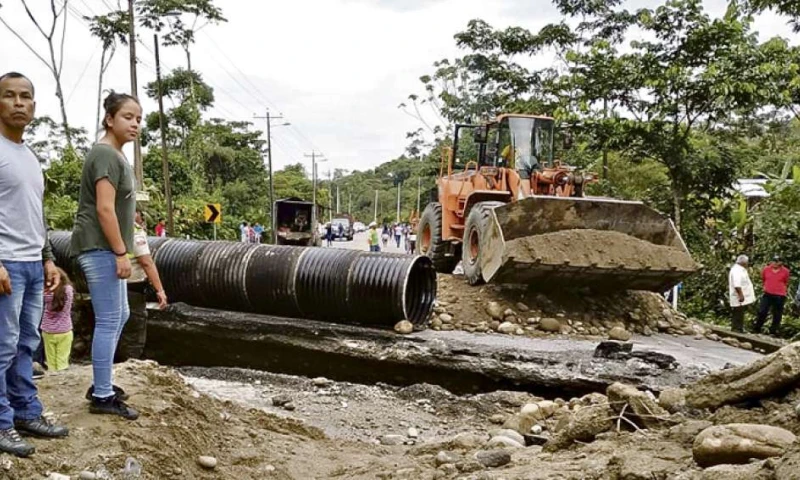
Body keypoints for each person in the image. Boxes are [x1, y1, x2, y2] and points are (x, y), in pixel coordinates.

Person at [0, 71, 69, 456]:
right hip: (6, 263)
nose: (19, 102)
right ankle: (1, 423)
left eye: (26, 96)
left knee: (27, 343)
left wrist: (48, 258)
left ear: (34, 106)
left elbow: (34, 214)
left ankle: (26, 411)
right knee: (2, 346)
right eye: (10, 96)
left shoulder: (28, 156)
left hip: (31, 262)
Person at [71, 91, 141, 421]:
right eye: (128, 117)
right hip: (100, 248)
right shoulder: (105, 155)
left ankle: (103, 381)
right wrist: (120, 252)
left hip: (104, 247)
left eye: (139, 119)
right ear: (109, 119)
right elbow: (103, 208)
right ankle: (101, 395)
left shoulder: (115, 155)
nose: (135, 124)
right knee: (111, 318)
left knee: (121, 314)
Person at [116, 209, 167, 363]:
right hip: (132, 287)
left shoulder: (107, 225)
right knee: (134, 329)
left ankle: (112, 365)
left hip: (110, 286)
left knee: (114, 326)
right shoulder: (133, 231)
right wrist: (160, 290)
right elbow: (146, 262)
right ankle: (130, 366)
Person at [41, 268, 73, 372]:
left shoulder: (46, 293)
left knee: (51, 361)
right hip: (65, 330)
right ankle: (62, 379)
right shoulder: (68, 290)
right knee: (62, 360)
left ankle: (52, 377)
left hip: (47, 331)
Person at [753, 255, 790, 335]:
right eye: (773, 261)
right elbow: (763, 279)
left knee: (777, 313)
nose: (775, 263)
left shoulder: (785, 271)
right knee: (762, 311)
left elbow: (786, 282)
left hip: (779, 295)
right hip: (767, 293)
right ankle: (757, 328)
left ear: (781, 262)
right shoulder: (766, 269)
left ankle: (773, 330)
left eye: (777, 261)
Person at [728, 254, 756, 333]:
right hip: (738, 295)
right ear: (743, 262)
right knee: (738, 312)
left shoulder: (741, 269)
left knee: (740, 312)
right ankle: (736, 328)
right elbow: (737, 284)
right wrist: (741, 295)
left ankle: (739, 328)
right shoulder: (736, 271)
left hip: (742, 295)